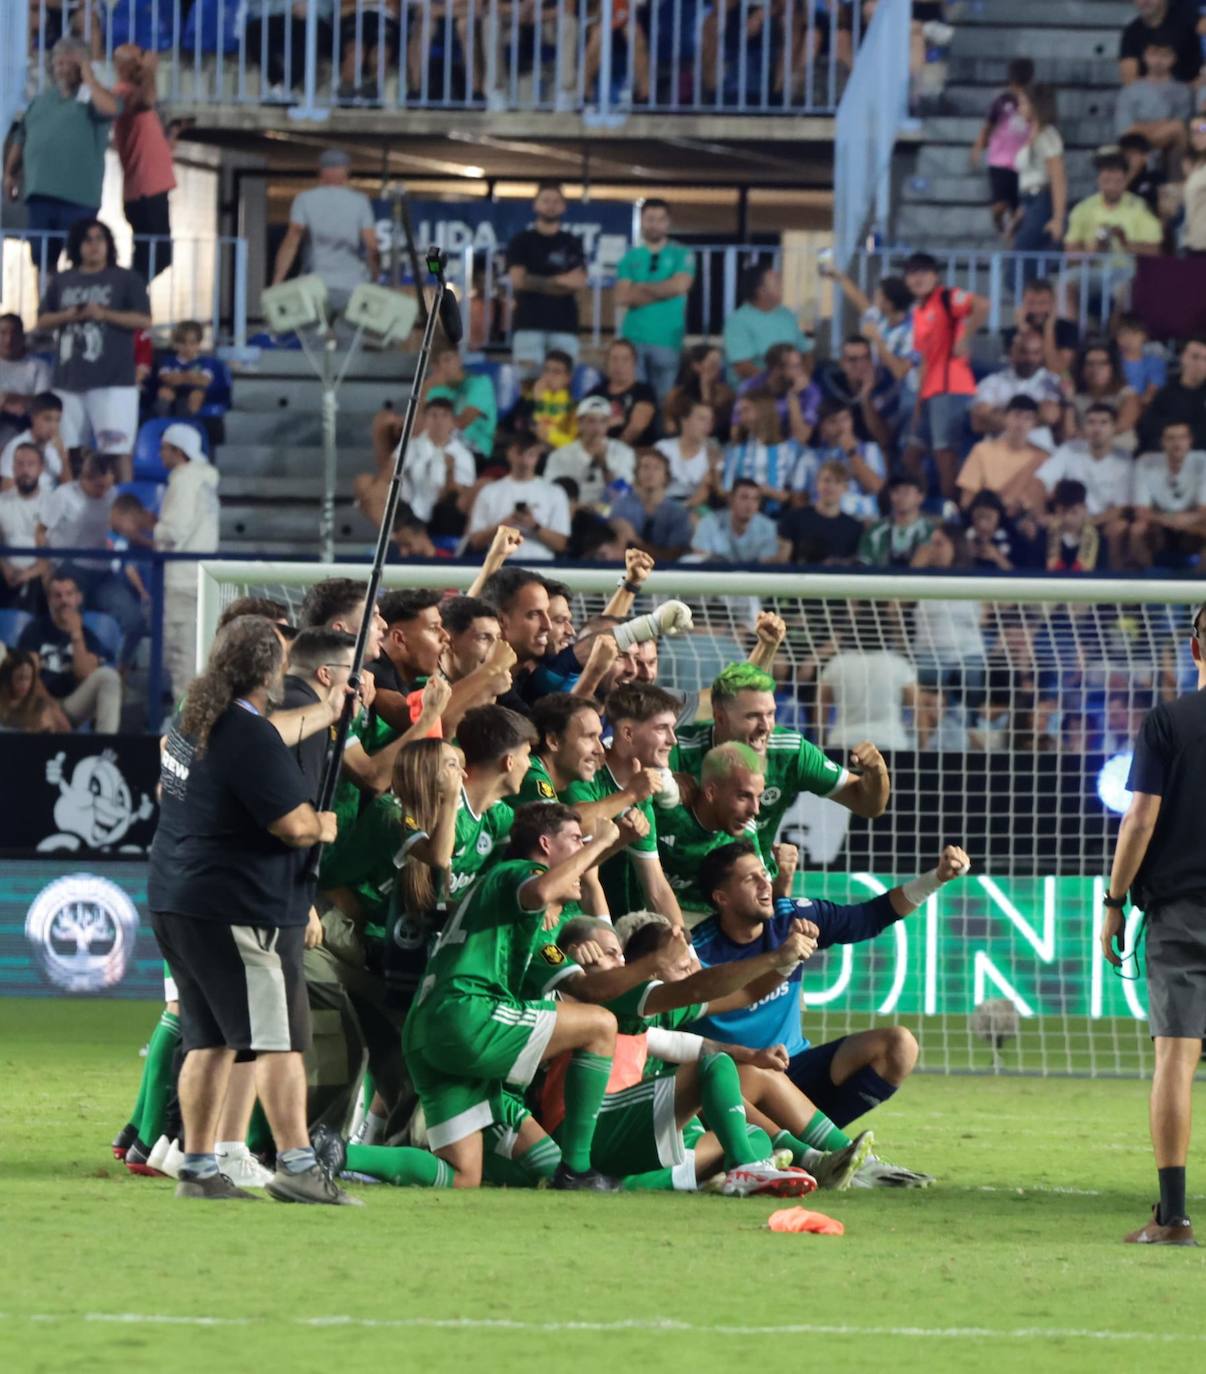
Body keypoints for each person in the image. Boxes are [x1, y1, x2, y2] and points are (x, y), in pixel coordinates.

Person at [147, 615, 357, 1205]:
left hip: (178, 901)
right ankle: (296, 1165)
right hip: (238, 908)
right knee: (279, 1039)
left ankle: (197, 1168)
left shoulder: (194, 723)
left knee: (210, 1039)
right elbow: (292, 825)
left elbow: (262, 740)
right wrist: (326, 826)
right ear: (267, 671)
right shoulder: (248, 735)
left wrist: (329, 709)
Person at [691, 839, 971, 1183]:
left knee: (899, 1045)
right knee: (730, 1076)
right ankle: (816, 1156)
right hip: (738, 1090)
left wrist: (936, 878)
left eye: (765, 873)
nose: (766, 883)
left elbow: (868, 918)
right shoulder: (697, 954)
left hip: (795, 1069)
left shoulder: (792, 917)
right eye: (751, 879)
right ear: (722, 898)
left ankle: (827, 1153)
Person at [1103, 602, 1206, 1245]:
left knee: (1176, 1056)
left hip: (1184, 913)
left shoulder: (1171, 722)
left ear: (1196, 647)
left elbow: (1140, 819)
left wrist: (1115, 902)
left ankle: (1172, 1216)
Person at [672, 661, 890, 866]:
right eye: (753, 716)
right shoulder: (680, 748)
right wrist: (666, 779)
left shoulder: (791, 751)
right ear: (719, 718)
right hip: (679, 884)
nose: (766, 726)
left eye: (771, 714)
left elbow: (868, 805)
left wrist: (878, 773)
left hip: (749, 889)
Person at [35, 219, 151, 483]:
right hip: (69, 378)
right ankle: (73, 507)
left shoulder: (126, 279)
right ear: (78, 246)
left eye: (100, 239)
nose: (94, 245)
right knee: (70, 450)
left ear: (109, 244)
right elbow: (41, 321)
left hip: (114, 380)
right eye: (87, 240)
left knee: (116, 450)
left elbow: (144, 320)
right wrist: (68, 315)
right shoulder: (63, 280)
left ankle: (122, 510)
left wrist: (103, 314)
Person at [563, 682, 685, 924]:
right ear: (628, 733)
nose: (673, 740)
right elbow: (578, 825)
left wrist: (687, 951)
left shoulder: (641, 788)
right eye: (662, 728)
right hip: (557, 913)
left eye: (673, 729)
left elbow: (656, 887)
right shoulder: (588, 770)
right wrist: (630, 795)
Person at [3, 39, 118, 261]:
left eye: (69, 63)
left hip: (79, 198)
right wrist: (9, 173)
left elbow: (110, 109)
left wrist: (89, 77)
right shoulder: (41, 101)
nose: (62, 68)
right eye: (59, 63)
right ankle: (47, 298)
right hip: (39, 195)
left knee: (82, 260)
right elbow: (21, 137)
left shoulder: (95, 98)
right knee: (41, 260)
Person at [903, 252, 989, 498]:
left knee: (945, 454)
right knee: (912, 453)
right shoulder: (919, 311)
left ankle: (951, 508)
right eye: (911, 273)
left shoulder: (947, 297)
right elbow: (925, 358)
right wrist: (920, 399)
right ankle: (918, 502)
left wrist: (964, 336)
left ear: (935, 275)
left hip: (952, 386)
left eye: (922, 272)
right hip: (930, 390)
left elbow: (982, 305)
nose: (917, 278)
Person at [153, 423, 221, 701]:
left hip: (181, 579)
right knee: (192, 653)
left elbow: (173, 530)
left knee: (180, 655)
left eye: (164, 449)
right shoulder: (204, 480)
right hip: (199, 578)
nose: (160, 455)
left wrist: (152, 530)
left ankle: (184, 727)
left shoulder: (183, 480)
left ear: (177, 451)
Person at [272, 149, 379, 314]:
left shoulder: (305, 199)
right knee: (350, 336)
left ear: (321, 171)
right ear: (346, 171)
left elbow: (292, 240)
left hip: (315, 283)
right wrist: (375, 278)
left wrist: (277, 281)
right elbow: (372, 246)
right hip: (352, 285)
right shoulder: (359, 202)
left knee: (312, 335)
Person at [16, 571, 122, 732]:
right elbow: (28, 678)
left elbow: (84, 674)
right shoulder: (34, 631)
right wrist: (53, 709)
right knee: (40, 717)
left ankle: (105, 747)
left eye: (69, 594)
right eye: (57, 596)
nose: (64, 600)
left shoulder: (88, 636)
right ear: (49, 600)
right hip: (40, 703)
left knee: (109, 677)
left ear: (78, 598)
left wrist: (76, 635)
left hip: (73, 704)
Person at [616, 198, 695, 398]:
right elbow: (623, 296)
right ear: (641, 221)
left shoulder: (681, 253)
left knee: (664, 403)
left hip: (668, 339)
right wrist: (664, 289)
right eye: (650, 219)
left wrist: (641, 288)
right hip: (633, 337)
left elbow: (680, 285)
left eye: (660, 219)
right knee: (637, 400)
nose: (655, 224)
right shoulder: (630, 257)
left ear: (668, 222)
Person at [506, 182, 587, 375]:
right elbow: (518, 281)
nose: (550, 205)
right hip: (528, 326)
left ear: (564, 206)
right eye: (545, 200)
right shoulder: (521, 241)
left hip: (565, 327)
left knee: (563, 386)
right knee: (527, 386)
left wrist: (534, 281)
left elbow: (579, 282)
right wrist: (559, 281)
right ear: (535, 205)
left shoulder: (572, 242)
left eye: (556, 201)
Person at [1038, 402, 1135, 564]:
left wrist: (1086, 523)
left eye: (1103, 423)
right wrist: (1040, 514)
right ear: (1083, 427)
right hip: (1066, 519)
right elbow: (1040, 481)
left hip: (1101, 522)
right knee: (1034, 524)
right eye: (1091, 422)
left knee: (1118, 527)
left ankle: (1112, 581)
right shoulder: (1069, 449)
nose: (1097, 428)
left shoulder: (1124, 461)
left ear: (1114, 428)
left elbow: (1120, 508)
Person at [111, 44, 176, 282]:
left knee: (158, 256)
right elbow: (146, 101)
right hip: (143, 191)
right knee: (154, 257)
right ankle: (127, 295)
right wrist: (150, 71)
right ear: (123, 66)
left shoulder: (134, 92)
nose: (141, 64)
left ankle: (130, 296)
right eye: (137, 60)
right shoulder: (122, 92)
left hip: (152, 189)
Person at [818, 618, 920, 753]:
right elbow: (917, 707)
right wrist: (923, 745)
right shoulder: (899, 665)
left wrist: (821, 740)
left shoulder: (837, 664)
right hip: (890, 742)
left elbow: (820, 705)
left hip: (844, 741)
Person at [466, 434, 571, 560]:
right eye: (520, 453)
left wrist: (534, 526)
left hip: (541, 564)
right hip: (501, 566)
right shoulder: (489, 492)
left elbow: (561, 544)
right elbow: (475, 542)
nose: (525, 460)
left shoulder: (554, 493)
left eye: (531, 454)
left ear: (538, 456)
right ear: (509, 453)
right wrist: (502, 527)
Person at [791, 399, 887, 521]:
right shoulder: (809, 457)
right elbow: (798, 497)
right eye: (833, 421)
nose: (841, 426)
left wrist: (852, 453)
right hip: (822, 521)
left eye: (845, 419)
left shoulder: (870, 449)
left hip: (862, 519)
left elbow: (876, 488)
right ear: (822, 426)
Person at [969, 57, 1034, 233]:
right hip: (999, 161)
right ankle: (998, 221)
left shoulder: (1033, 103)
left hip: (1021, 163)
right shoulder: (1002, 102)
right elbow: (988, 126)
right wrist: (977, 148)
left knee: (1017, 208)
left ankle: (1012, 235)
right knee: (1000, 204)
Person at [1130, 419, 1206, 567]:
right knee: (1137, 530)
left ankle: (1199, 583)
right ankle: (1148, 581)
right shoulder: (1146, 462)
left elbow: (1204, 510)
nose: (1177, 444)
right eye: (1171, 438)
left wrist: (1185, 521)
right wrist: (1169, 519)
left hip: (1192, 521)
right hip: (1160, 522)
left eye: (1182, 438)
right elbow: (1141, 510)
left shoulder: (1203, 461)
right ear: (1162, 442)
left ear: (1190, 441)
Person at [957, 395, 1048, 515]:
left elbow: (1040, 503)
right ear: (1006, 417)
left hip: (1023, 519)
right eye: (1016, 416)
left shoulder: (1042, 458)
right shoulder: (982, 450)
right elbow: (967, 499)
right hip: (987, 517)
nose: (1020, 424)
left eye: (1027, 418)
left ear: (1035, 423)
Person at [1064, 152, 1163, 261]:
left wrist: (1124, 242)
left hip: (1131, 274)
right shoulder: (1083, 209)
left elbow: (1155, 251)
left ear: (1125, 181)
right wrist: (1097, 249)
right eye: (1106, 181)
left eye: (1118, 181)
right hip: (1090, 273)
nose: (1112, 187)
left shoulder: (1141, 208)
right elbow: (1070, 254)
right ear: (1098, 181)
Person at [970, 329, 1064, 442]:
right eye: (1024, 352)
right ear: (1012, 352)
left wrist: (998, 413)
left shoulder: (1052, 381)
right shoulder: (992, 381)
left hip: (1039, 452)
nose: (1030, 359)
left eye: (1036, 353)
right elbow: (978, 423)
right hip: (997, 453)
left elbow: (1049, 416)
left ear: (1042, 355)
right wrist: (1035, 418)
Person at [722, 263, 808, 384]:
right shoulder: (738, 321)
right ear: (761, 291)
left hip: (791, 383)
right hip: (756, 388)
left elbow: (806, 352)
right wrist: (777, 382)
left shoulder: (786, 314)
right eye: (777, 281)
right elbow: (743, 367)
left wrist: (805, 376)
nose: (782, 285)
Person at [545, 396, 636, 507]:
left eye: (603, 421)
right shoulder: (559, 456)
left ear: (608, 424)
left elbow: (624, 496)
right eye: (591, 421)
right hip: (574, 511)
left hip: (610, 513)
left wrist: (604, 465)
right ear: (580, 424)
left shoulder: (624, 453)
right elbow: (550, 493)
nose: (597, 428)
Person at [1010, 84, 1068, 254]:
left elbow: (1058, 177)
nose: (1019, 108)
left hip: (1041, 200)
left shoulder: (1047, 135)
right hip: (1029, 200)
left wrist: (1058, 218)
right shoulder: (1032, 135)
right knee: (1019, 254)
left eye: (1023, 103)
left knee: (1023, 255)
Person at [608, 449, 693, 561]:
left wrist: (635, 541)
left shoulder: (678, 512)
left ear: (666, 476)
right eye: (645, 467)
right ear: (636, 473)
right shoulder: (621, 506)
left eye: (657, 468)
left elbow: (674, 555)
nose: (650, 473)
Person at [813, 333, 893, 451]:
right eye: (853, 360)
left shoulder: (884, 384)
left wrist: (865, 397)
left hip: (869, 452)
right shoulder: (828, 381)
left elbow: (884, 440)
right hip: (833, 450)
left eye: (866, 358)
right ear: (842, 363)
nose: (860, 365)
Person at [778, 459, 863, 565]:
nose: (830, 487)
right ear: (817, 484)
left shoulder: (854, 528)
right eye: (827, 480)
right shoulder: (794, 518)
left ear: (845, 488)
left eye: (837, 482)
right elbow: (782, 560)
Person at [723, 393, 796, 512]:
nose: (742, 417)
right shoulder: (737, 449)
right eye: (740, 412)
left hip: (779, 515)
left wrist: (769, 492)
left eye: (746, 410)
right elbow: (727, 489)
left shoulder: (789, 449)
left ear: (763, 411)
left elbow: (795, 496)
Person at [1115, 39, 1193, 149]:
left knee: (1177, 128)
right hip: (1133, 145)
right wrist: (1162, 124)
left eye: (1165, 55)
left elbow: (1181, 127)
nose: (1158, 60)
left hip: (1169, 145)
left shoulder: (1183, 91)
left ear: (1174, 58)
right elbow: (1124, 130)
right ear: (1144, 56)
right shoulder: (1129, 91)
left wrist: (1142, 127)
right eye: (1153, 54)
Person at [424, 346, 497, 461]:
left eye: (448, 360)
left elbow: (462, 423)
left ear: (459, 360)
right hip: (439, 445)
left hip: (474, 449)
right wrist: (425, 388)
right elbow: (418, 424)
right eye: (438, 363)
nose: (443, 367)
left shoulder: (481, 383)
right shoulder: (434, 390)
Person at [690, 479, 789, 564]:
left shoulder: (768, 527)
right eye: (744, 498)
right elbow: (701, 556)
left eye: (755, 499)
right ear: (730, 499)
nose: (750, 504)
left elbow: (765, 563)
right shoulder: (710, 522)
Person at [0, 443, 48, 612]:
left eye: (31, 464)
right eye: (20, 464)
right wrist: (4, 567)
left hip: (39, 575)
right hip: (6, 572)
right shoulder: (2, 501)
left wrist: (29, 573)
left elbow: (57, 554)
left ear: (41, 468)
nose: (25, 470)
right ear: (13, 468)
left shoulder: (53, 503)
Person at [999, 277, 1080, 375]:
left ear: (1053, 304)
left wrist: (1049, 329)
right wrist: (1023, 331)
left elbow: (1057, 370)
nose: (1036, 309)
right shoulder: (1012, 332)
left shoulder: (1069, 329)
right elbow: (1018, 369)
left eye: (1042, 303)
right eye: (1031, 303)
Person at [588, 339, 658, 449]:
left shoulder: (645, 391)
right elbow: (587, 427)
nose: (619, 365)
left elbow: (637, 427)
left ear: (634, 363)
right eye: (614, 359)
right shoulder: (595, 393)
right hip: (598, 452)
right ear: (607, 363)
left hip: (636, 452)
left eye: (625, 359)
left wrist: (615, 452)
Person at [1140, 336, 1206, 450]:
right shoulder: (1165, 392)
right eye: (1195, 357)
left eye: (1205, 359)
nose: (1199, 363)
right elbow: (1147, 428)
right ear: (1182, 357)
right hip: (1165, 453)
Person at [858, 473, 934, 568]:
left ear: (920, 497)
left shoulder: (931, 532)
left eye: (906, 492)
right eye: (896, 491)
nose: (900, 497)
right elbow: (863, 567)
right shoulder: (876, 532)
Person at [1118, 0, 1201, 86]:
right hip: (1147, 94)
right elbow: (1129, 80)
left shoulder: (1187, 18)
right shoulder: (1131, 32)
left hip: (1192, 92)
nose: (1145, 1)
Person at [663, 343, 735, 441]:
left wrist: (706, 391)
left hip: (717, 443)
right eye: (713, 364)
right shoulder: (676, 395)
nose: (718, 368)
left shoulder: (725, 393)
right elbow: (670, 429)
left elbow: (717, 429)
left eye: (720, 364)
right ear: (696, 366)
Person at [656, 400, 722, 505]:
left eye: (710, 421)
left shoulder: (712, 452)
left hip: (693, 506)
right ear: (684, 421)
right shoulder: (663, 448)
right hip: (661, 503)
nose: (707, 425)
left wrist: (684, 507)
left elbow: (705, 491)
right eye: (702, 419)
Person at [0, 393, 66, 495]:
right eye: (47, 419)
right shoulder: (15, 447)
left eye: (57, 420)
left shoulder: (56, 446)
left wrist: (62, 455)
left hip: (52, 503)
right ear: (33, 418)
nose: (53, 427)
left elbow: (69, 487)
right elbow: (7, 491)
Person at [155, 322, 220, 420]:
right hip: (173, 390)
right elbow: (167, 379)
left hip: (195, 391)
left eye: (192, 343)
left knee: (196, 395)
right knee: (164, 392)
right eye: (182, 343)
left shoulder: (205, 361)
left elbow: (204, 381)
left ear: (199, 344)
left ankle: (190, 424)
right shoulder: (168, 360)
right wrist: (191, 376)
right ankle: (162, 424)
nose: (187, 347)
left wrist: (179, 376)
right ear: (175, 344)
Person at [0, 315, 52, 436]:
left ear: (23, 337)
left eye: (14, 333)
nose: (9, 339)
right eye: (3, 333)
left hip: (24, 426)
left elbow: (43, 403)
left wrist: (9, 397)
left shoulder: (39, 366)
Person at [0, 648, 70, 732]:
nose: (24, 684)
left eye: (28, 678)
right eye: (20, 678)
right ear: (8, 679)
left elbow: (65, 732)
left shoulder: (40, 708)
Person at [1046, 479, 1104, 571]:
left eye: (1074, 512)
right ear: (1057, 510)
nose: (1068, 518)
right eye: (1064, 512)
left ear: (1084, 509)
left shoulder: (1099, 539)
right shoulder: (1045, 536)